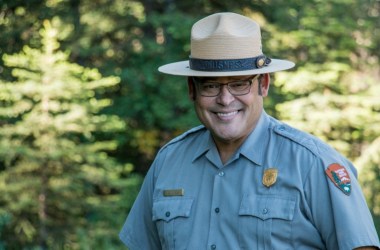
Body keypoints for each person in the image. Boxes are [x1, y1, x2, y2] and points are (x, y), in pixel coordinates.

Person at [119, 12, 380, 250]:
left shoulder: (313, 163)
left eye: (239, 84)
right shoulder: (169, 162)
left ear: (263, 84)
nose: (225, 99)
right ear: (192, 89)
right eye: (210, 86)